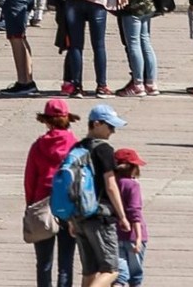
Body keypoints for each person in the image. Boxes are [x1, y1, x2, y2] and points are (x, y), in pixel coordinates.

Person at [67, 104, 131, 287]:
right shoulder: (104, 150)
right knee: (111, 270)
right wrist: (122, 216)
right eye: (110, 126)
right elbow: (111, 186)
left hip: (78, 216)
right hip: (100, 216)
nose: (113, 131)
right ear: (96, 124)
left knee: (89, 271)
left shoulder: (77, 148)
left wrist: (71, 219)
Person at [23, 97, 79, 287]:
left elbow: (30, 179)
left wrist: (29, 204)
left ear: (46, 120)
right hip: (69, 205)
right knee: (66, 262)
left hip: (41, 203)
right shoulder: (76, 145)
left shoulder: (38, 146)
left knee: (44, 263)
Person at [114, 145, 148, 287]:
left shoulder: (110, 183)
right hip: (133, 235)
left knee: (119, 275)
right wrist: (139, 237)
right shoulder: (132, 185)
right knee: (135, 276)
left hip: (114, 233)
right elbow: (135, 212)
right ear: (133, 167)